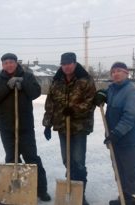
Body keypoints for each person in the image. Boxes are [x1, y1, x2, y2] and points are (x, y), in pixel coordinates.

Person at [0, 53, 51, 201]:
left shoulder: (28, 76)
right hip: (6, 127)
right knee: (12, 159)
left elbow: (36, 93)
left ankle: (40, 189)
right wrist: (7, 86)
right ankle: (14, 189)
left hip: (25, 126)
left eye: (11, 62)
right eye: (5, 63)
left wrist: (23, 84)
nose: (8, 65)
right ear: (2, 65)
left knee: (31, 158)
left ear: (16, 63)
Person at [42, 52, 96, 205]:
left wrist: (74, 110)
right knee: (67, 160)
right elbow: (50, 103)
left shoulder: (85, 80)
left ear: (74, 63)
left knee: (78, 161)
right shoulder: (56, 81)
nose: (66, 66)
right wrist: (47, 124)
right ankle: (71, 185)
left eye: (69, 63)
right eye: (63, 64)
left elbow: (90, 102)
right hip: (62, 126)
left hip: (79, 127)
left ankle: (80, 194)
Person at [94, 62, 135, 205]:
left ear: (126, 73)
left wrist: (116, 133)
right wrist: (101, 94)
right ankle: (125, 198)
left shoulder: (132, 92)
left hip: (127, 140)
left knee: (131, 172)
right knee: (119, 170)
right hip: (114, 138)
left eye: (119, 71)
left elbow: (130, 117)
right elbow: (107, 93)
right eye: (113, 72)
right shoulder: (113, 89)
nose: (115, 74)